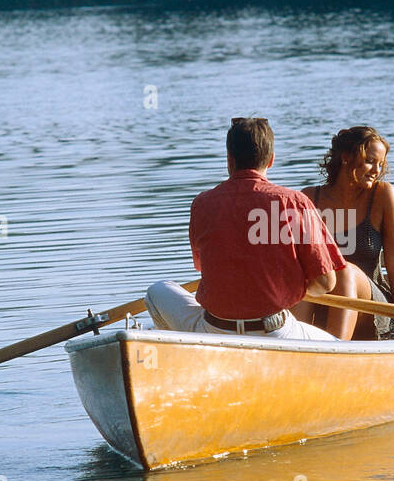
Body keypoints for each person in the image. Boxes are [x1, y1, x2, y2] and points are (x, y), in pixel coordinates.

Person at [146, 117, 344, 341]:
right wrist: (286, 290)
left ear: (230, 159)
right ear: (271, 160)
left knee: (157, 292)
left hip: (214, 330)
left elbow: (203, 268)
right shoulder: (295, 202)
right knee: (339, 347)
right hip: (277, 332)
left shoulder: (202, 203)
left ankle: (186, 357)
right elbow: (326, 282)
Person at [292, 126, 394, 341]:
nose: (376, 170)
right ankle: (292, 348)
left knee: (344, 271)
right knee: (303, 279)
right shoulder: (309, 198)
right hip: (324, 300)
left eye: (380, 164)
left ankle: (336, 354)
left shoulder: (383, 196)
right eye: (370, 161)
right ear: (346, 157)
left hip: (372, 307)